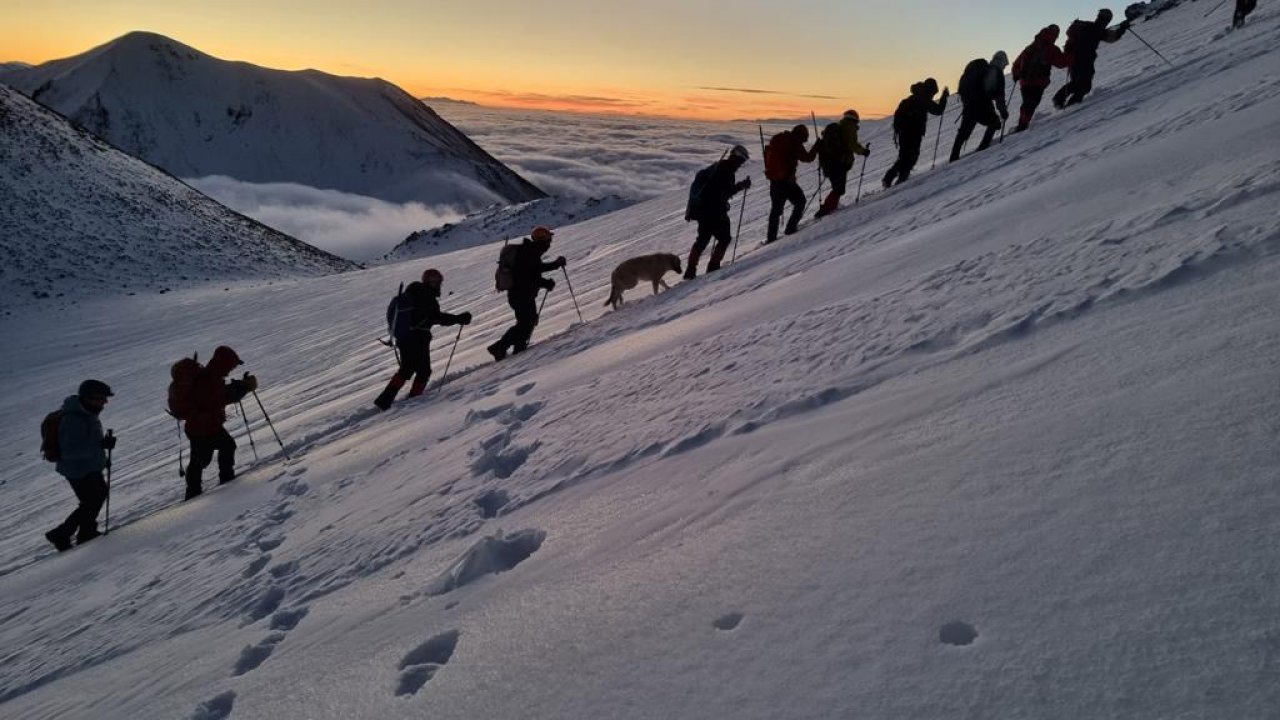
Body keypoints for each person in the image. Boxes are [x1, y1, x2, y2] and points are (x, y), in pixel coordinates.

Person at [374, 268, 472, 410]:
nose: (439, 285)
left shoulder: (413, 293)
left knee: (407, 368)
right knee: (423, 371)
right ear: (432, 282)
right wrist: (458, 319)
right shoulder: (426, 297)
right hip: (418, 338)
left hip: (404, 337)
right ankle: (413, 399)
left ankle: (385, 399)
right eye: (438, 282)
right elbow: (437, 318)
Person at [44, 380, 116, 551]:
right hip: (78, 470)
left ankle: (83, 532)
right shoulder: (73, 419)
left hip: (88, 467)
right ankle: (66, 533)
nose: (105, 403)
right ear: (89, 398)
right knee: (93, 499)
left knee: (93, 499)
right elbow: (71, 451)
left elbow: (87, 442)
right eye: (101, 399)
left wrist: (101, 451)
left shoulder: (86, 413)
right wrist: (101, 445)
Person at [183, 345, 255, 500]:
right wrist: (242, 388)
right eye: (231, 365)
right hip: (202, 427)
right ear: (224, 363)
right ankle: (204, 488)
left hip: (204, 426)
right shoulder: (210, 379)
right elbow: (220, 398)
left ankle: (202, 488)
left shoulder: (212, 376)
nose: (231, 369)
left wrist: (240, 387)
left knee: (216, 451)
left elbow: (221, 395)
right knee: (203, 458)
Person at [487, 226, 565, 360]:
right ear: (542, 240)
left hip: (519, 295)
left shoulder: (529, 251)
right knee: (526, 324)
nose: (549, 243)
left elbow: (531, 274)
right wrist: (554, 267)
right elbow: (531, 274)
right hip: (521, 295)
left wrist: (545, 281)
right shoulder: (530, 253)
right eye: (548, 240)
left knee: (526, 323)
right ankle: (499, 347)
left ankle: (518, 349)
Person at [683, 145, 751, 279]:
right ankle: (713, 267)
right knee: (724, 238)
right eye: (741, 161)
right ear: (736, 158)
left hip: (702, 211)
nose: (740, 165)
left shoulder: (717, 167)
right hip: (715, 212)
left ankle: (690, 270)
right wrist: (742, 186)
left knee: (702, 239)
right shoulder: (727, 172)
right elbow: (725, 193)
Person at [1052, 9, 1130, 109]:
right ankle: (1071, 104)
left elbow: (1108, 36)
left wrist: (1120, 29)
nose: (1106, 22)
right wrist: (1121, 29)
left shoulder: (1089, 27)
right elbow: (1110, 37)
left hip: (1074, 59)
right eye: (1106, 19)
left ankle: (1059, 100)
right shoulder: (1096, 29)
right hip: (1084, 59)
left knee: (1077, 82)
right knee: (1084, 85)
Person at [883, 79, 949, 188]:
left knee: (905, 156)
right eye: (933, 92)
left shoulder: (916, 96)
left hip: (904, 131)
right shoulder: (923, 98)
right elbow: (938, 110)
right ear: (930, 89)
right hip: (913, 132)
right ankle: (896, 178)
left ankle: (894, 178)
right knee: (911, 156)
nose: (933, 95)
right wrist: (944, 98)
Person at [950, 52, 1010, 162]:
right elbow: (999, 96)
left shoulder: (982, 69)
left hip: (968, 103)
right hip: (982, 104)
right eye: (1005, 64)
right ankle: (983, 149)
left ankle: (953, 157)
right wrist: (1003, 112)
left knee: (964, 131)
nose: (1004, 67)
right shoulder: (997, 73)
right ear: (1002, 62)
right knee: (995, 123)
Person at [763, 124, 818, 243]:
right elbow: (807, 158)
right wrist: (816, 147)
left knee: (776, 211)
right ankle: (790, 228)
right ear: (801, 135)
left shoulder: (780, 138)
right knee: (800, 201)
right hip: (787, 181)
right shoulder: (795, 143)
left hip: (775, 179)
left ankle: (771, 239)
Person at [1012, 25, 1070, 132]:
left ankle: (1022, 124)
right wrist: (1071, 56)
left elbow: (1017, 62)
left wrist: (1016, 74)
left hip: (1025, 81)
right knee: (1032, 103)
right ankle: (1022, 125)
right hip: (1039, 82)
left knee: (1028, 103)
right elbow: (1061, 63)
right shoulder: (1051, 49)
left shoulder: (1032, 46)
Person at [814, 110, 871, 219]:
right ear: (855, 118)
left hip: (831, 162)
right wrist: (863, 151)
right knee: (839, 189)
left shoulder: (840, 126)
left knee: (838, 188)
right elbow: (852, 144)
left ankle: (830, 207)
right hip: (840, 162)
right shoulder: (849, 127)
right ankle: (826, 209)